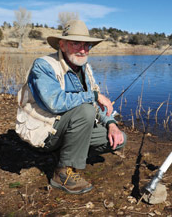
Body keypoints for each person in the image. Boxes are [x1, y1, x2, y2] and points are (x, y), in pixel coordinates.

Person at [15, 19, 126, 194]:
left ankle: (68, 152)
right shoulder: (43, 65)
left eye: (87, 45)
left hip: (66, 128)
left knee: (118, 140)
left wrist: (112, 124)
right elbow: (55, 103)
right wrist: (95, 95)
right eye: (76, 43)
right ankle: (61, 174)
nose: (83, 50)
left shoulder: (85, 68)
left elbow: (96, 106)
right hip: (44, 133)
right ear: (62, 45)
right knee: (86, 110)